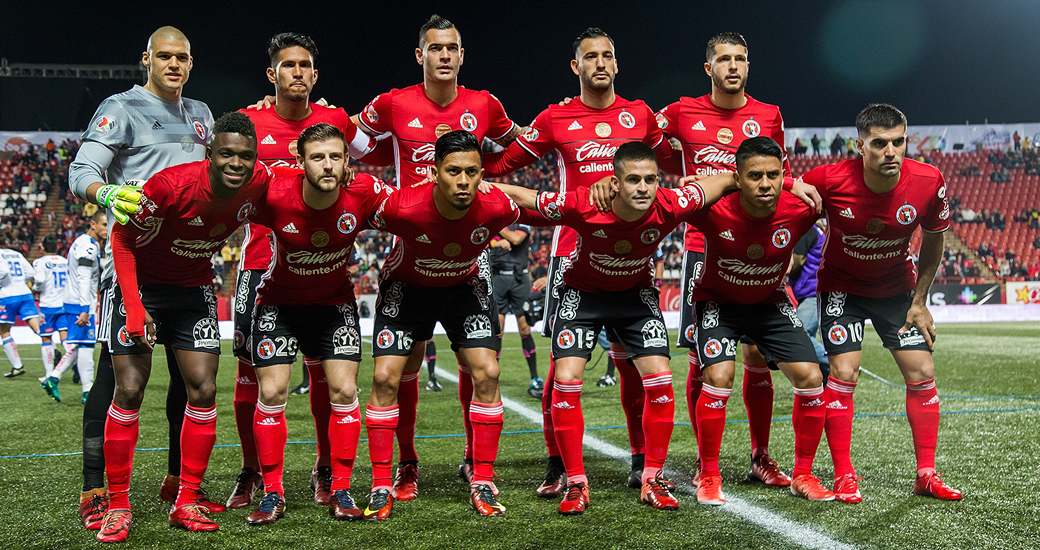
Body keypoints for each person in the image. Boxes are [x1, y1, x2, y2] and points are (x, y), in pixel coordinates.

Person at [481, 27, 677, 495]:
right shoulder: (554, 118)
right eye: (591, 56)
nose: (601, 63)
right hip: (574, 255)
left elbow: (676, 158)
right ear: (577, 66)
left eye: (608, 55)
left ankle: (640, 460)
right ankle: (556, 462)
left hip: (631, 256)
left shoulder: (640, 116)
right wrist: (448, 161)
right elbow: (502, 165)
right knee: (561, 368)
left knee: (633, 365)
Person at [494, 141, 732, 514]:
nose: (643, 188)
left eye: (650, 179)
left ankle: (651, 477)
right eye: (633, 179)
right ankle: (575, 482)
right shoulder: (586, 204)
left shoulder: (670, 203)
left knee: (661, 379)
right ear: (615, 183)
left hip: (634, 298)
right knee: (567, 379)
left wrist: (754, 179)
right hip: (583, 295)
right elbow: (528, 197)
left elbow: (721, 184)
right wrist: (479, 183)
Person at [349, 14, 523, 500]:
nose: (444, 55)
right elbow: (353, 143)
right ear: (420, 55)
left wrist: (487, 176)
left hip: (469, 250)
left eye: (452, 48)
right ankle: (404, 464)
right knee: (399, 371)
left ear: (461, 55)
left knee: (481, 367)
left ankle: (475, 463)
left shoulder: (484, 104)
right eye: (435, 48)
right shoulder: (393, 103)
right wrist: (304, 112)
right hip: (413, 237)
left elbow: (520, 146)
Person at [67, 26, 217, 532]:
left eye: (182, 58)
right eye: (164, 56)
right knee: (117, 383)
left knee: (189, 384)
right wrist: (107, 195)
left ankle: (178, 484)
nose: (174, 65)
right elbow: (82, 168)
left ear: (191, 63)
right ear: (146, 60)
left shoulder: (201, 115)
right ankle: (96, 488)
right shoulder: (122, 107)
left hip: (189, 265)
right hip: (130, 270)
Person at [99, 112, 273, 542]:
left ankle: (185, 499)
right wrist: (136, 309)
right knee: (130, 389)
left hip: (193, 289)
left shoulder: (259, 183)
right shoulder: (170, 186)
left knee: (204, 389)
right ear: (210, 153)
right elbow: (122, 239)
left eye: (246, 156)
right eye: (227, 154)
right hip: (139, 286)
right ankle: (118, 504)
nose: (237, 163)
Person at [228, 31, 377, 511]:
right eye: (288, 66)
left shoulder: (335, 120)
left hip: (324, 271)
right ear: (273, 74)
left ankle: (327, 470)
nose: (297, 73)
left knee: (327, 378)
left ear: (315, 74)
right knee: (253, 381)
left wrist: (351, 166)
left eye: (305, 66)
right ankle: (253, 474)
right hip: (260, 269)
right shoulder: (249, 121)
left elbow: (368, 152)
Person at [796, 103, 962, 503]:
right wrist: (789, 184)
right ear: (860, 146)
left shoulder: (928, 180)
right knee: (845, 373)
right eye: (880, 143)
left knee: (922, 370)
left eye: (898, 142)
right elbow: (784, 186)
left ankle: (926, 473)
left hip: (895, 291)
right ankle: (844, 475)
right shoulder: (830, 178)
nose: (891, 151)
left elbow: (935, 236)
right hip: (842, 290)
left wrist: (920, 300)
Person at [656, 32, 792, 488]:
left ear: (748, 66)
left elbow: (782, 178)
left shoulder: (769, 115)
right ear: (708, 68)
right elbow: (638, 134)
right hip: (703, 247)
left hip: (757, 246)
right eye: (724, 59)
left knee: (756, 353)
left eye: (741, 59)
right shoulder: (681, 111)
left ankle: (761, 456)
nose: (733, 66)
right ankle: (703, 462)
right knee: (703, 356)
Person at [362, 130, 516, 519]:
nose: (463, 181)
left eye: (471, 172)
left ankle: (482, 477)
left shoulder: (495, 205)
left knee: (488, 371)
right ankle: (390, 477)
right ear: (434, 172)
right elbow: (355, 208)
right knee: (385, 379)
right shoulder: (403, 207)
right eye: (453, 172)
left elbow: (540, 205)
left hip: (462, 286)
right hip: (407, 288)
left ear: (482, 174)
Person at [244, 123, 388, 524]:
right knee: (271, 393)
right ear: (301, 161)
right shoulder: (274, 192)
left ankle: (340, 488)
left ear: (347, 161)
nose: (327, 166)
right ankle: (272, 492)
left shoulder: (365, 193)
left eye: (335, 157)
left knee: (343, 390)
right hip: (279, 306)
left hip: (334, 305)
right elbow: (222, 200)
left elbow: (413, 206)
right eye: (318, 157)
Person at [685, 137, 833, 505]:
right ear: (737, 177)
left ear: (784, 174)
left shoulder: (801, 209)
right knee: (719, 376)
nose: (764, 184)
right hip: (719, 302)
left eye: (773, 175)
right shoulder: (713, 207)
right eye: (754, 176)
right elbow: (663, 203)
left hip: (769, 302)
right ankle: (708, 473)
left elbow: (848, 196)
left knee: (811, 376)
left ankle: (803, 474)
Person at [41, 210, 106, 403]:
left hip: (75, 300)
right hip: (80, 302)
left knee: (84, 345)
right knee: (84, 345)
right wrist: (85, 308)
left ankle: (81, 388)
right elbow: (84, 277)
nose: (106, 229)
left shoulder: (82, 242)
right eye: (103, 225)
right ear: (93, 224)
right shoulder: (88, 246)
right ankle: (60, 380)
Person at [489, 222, 542, 398]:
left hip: (519, 279)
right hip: (497, 278)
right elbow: (487, 242)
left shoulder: (523, 223)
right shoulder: (493, 220)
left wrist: (497, 230)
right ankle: (492, 377)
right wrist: (496, 242)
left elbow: (516, 239)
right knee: (498, 331)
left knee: (525, 328)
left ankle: (534, 377)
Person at [789, 219, 829, 374]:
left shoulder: (804, 230)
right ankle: (828, 379)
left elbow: (797, 261)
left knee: (800, 335)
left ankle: (837, 364)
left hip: (812, 292)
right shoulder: (815, 229)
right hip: (816, 290)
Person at [0, 235, 39, 378]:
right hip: (25, 293)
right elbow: (30, 273)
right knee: (38, 328)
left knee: (4, 331)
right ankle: (53, 350)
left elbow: (2, 272)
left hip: (7, 296)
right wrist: (18, 281)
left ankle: (17, 366)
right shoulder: (16, 254)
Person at [32, 235, 70, 385]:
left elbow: (40, 281)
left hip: (48, 305)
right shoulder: (64, 261)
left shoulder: (39, 262)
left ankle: (49, 374)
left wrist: (35, 289)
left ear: (42, 247)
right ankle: (74, 364)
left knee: (46, 338)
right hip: (64, 303)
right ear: (57, 247)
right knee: (65, 337)